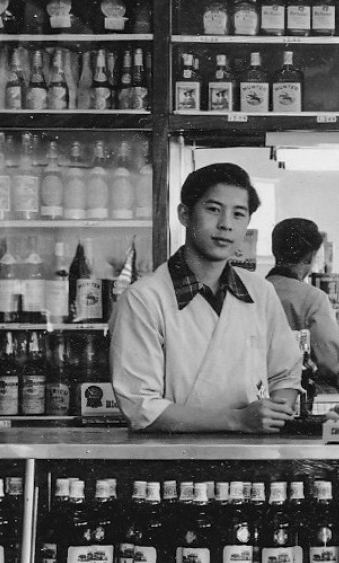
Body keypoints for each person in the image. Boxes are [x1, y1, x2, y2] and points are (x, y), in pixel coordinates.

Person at [110, 163, 302, 433]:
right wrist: (237, 421)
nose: (225, 225)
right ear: (184, 214)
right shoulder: (144, 298)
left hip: (252, 454)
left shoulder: (260, 292)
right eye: (213, 210)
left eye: (238, 214)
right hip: (173, 459)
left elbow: (285, 373)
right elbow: (141, 406)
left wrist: (273, 413)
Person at [266, 218, 339, 390]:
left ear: (275, 250)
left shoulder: (255, 291)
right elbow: (329, 361)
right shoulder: (313, 298)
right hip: (300, 394)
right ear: (311, 256)